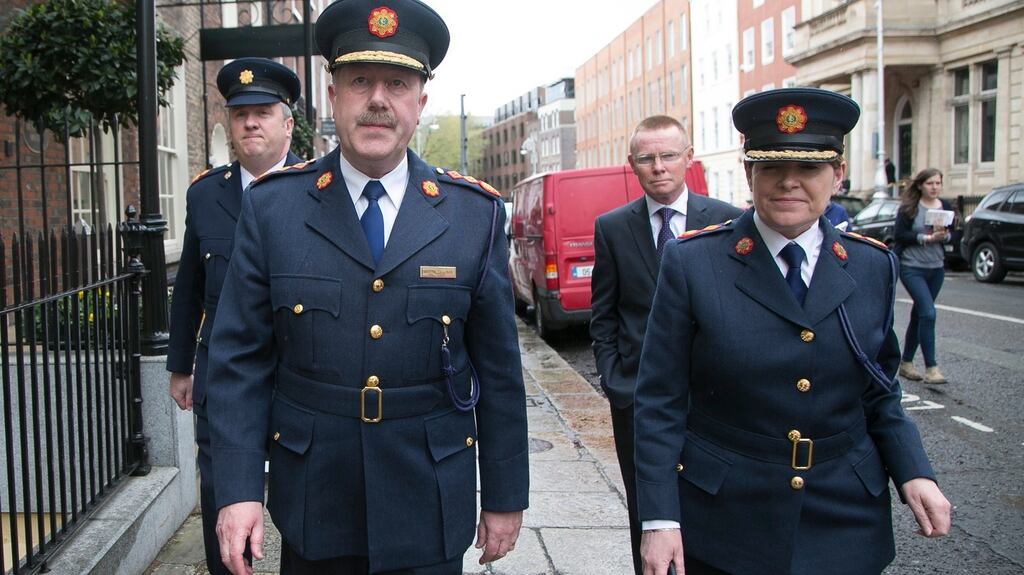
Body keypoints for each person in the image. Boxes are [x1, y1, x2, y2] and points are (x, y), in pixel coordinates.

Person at [205, 1, 529, 573]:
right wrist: (237, 489)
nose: (378, 99)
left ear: (420, 103)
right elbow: (239, 361)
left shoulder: (473, 214)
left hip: (429, 497)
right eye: (360, 81)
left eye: (398, 83)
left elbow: (499, 371)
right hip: (315, 501)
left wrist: (505, 495)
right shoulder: (274, 209)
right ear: (333, 97)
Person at [633, 88, 951, 575]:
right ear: (749, 173)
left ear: (838, 174)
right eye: (772, 168)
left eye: (809, 169)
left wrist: (914, 471)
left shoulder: (871, 266)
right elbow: (659, 400)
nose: (789, 183)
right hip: (728, 515)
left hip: (844, 512)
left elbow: (880, 392)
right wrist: (659, 517)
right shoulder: (694, 263)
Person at [165, 57, 301, 575]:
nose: (251, 122)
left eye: (264, 111)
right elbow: (190, 290)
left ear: (287, 122)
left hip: (297, 372)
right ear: (227, 122)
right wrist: (180, 364)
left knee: (302, 494)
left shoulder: (323, 190)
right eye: (240, 112)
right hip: (221, 372)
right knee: (223, 487)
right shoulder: (205, 194)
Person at [589, 115, 741, 575]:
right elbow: (604, 315)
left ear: (688, 158)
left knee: (717, 514)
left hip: (716, 401)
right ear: (632, 164)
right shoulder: (613, 228)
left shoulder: (728, 221)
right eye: (647, 158)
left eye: (669, 155)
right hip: (639, 401)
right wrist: (618, 382)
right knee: (649, 514)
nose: (658, 167)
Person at [894, 168, 954, 385]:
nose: (935, 187)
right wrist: (925, 237)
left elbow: (955, 232)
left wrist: (945, 236)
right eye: (930, 183)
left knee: (919, 314)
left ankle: (906, 362)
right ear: (920, 185)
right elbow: (899, 235)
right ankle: (932, 368)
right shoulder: (910, 208)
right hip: (912, 267)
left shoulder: (945, 207)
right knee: (928, 313)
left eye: (938, 183)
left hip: (936, 267)